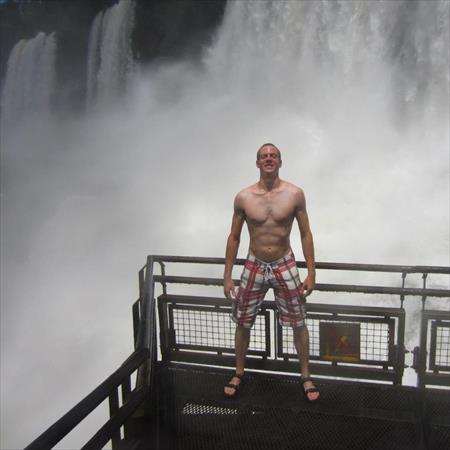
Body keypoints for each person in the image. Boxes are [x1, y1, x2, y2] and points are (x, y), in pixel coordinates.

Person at [223, 143, 319, 402]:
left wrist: (311, 272)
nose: (268, 159)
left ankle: (306, 376)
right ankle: (238, 373)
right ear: (257, 163)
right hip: (254, 263)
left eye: (273, 156)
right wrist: (227, 275)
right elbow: (234, 237)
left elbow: (306, 233)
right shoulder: (243, 197)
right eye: (264, 156)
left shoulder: (295, 194)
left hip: (284, 262)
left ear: (280, 162)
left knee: (299, 321)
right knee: (243, 321)